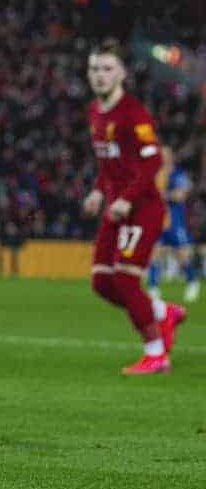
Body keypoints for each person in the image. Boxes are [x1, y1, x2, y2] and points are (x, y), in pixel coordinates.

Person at [82, 40, 186, 374]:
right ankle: (160, 312)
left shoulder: (133, 112)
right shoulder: (95, 112)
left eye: (107, 69)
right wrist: (99, 192)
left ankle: (156, 353)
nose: (100, 75)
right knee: (101, 282)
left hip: (141, 209)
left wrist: (126, 198)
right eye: (95, 69)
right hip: (116, 207)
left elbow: (153, 160)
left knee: (126, 280)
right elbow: (108, 161)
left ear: (122, 73)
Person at [146, 147, 198, 304]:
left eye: (166, 155)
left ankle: (192, 282)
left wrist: (164, 195)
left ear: (171, 157)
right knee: (153, 254)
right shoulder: (153, 174)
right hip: (156, 220)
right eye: (161, 155)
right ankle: (153, 287)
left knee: (182, 255)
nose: (163, 158)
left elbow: (182, 195)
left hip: (174, 222)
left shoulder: (178, 174)